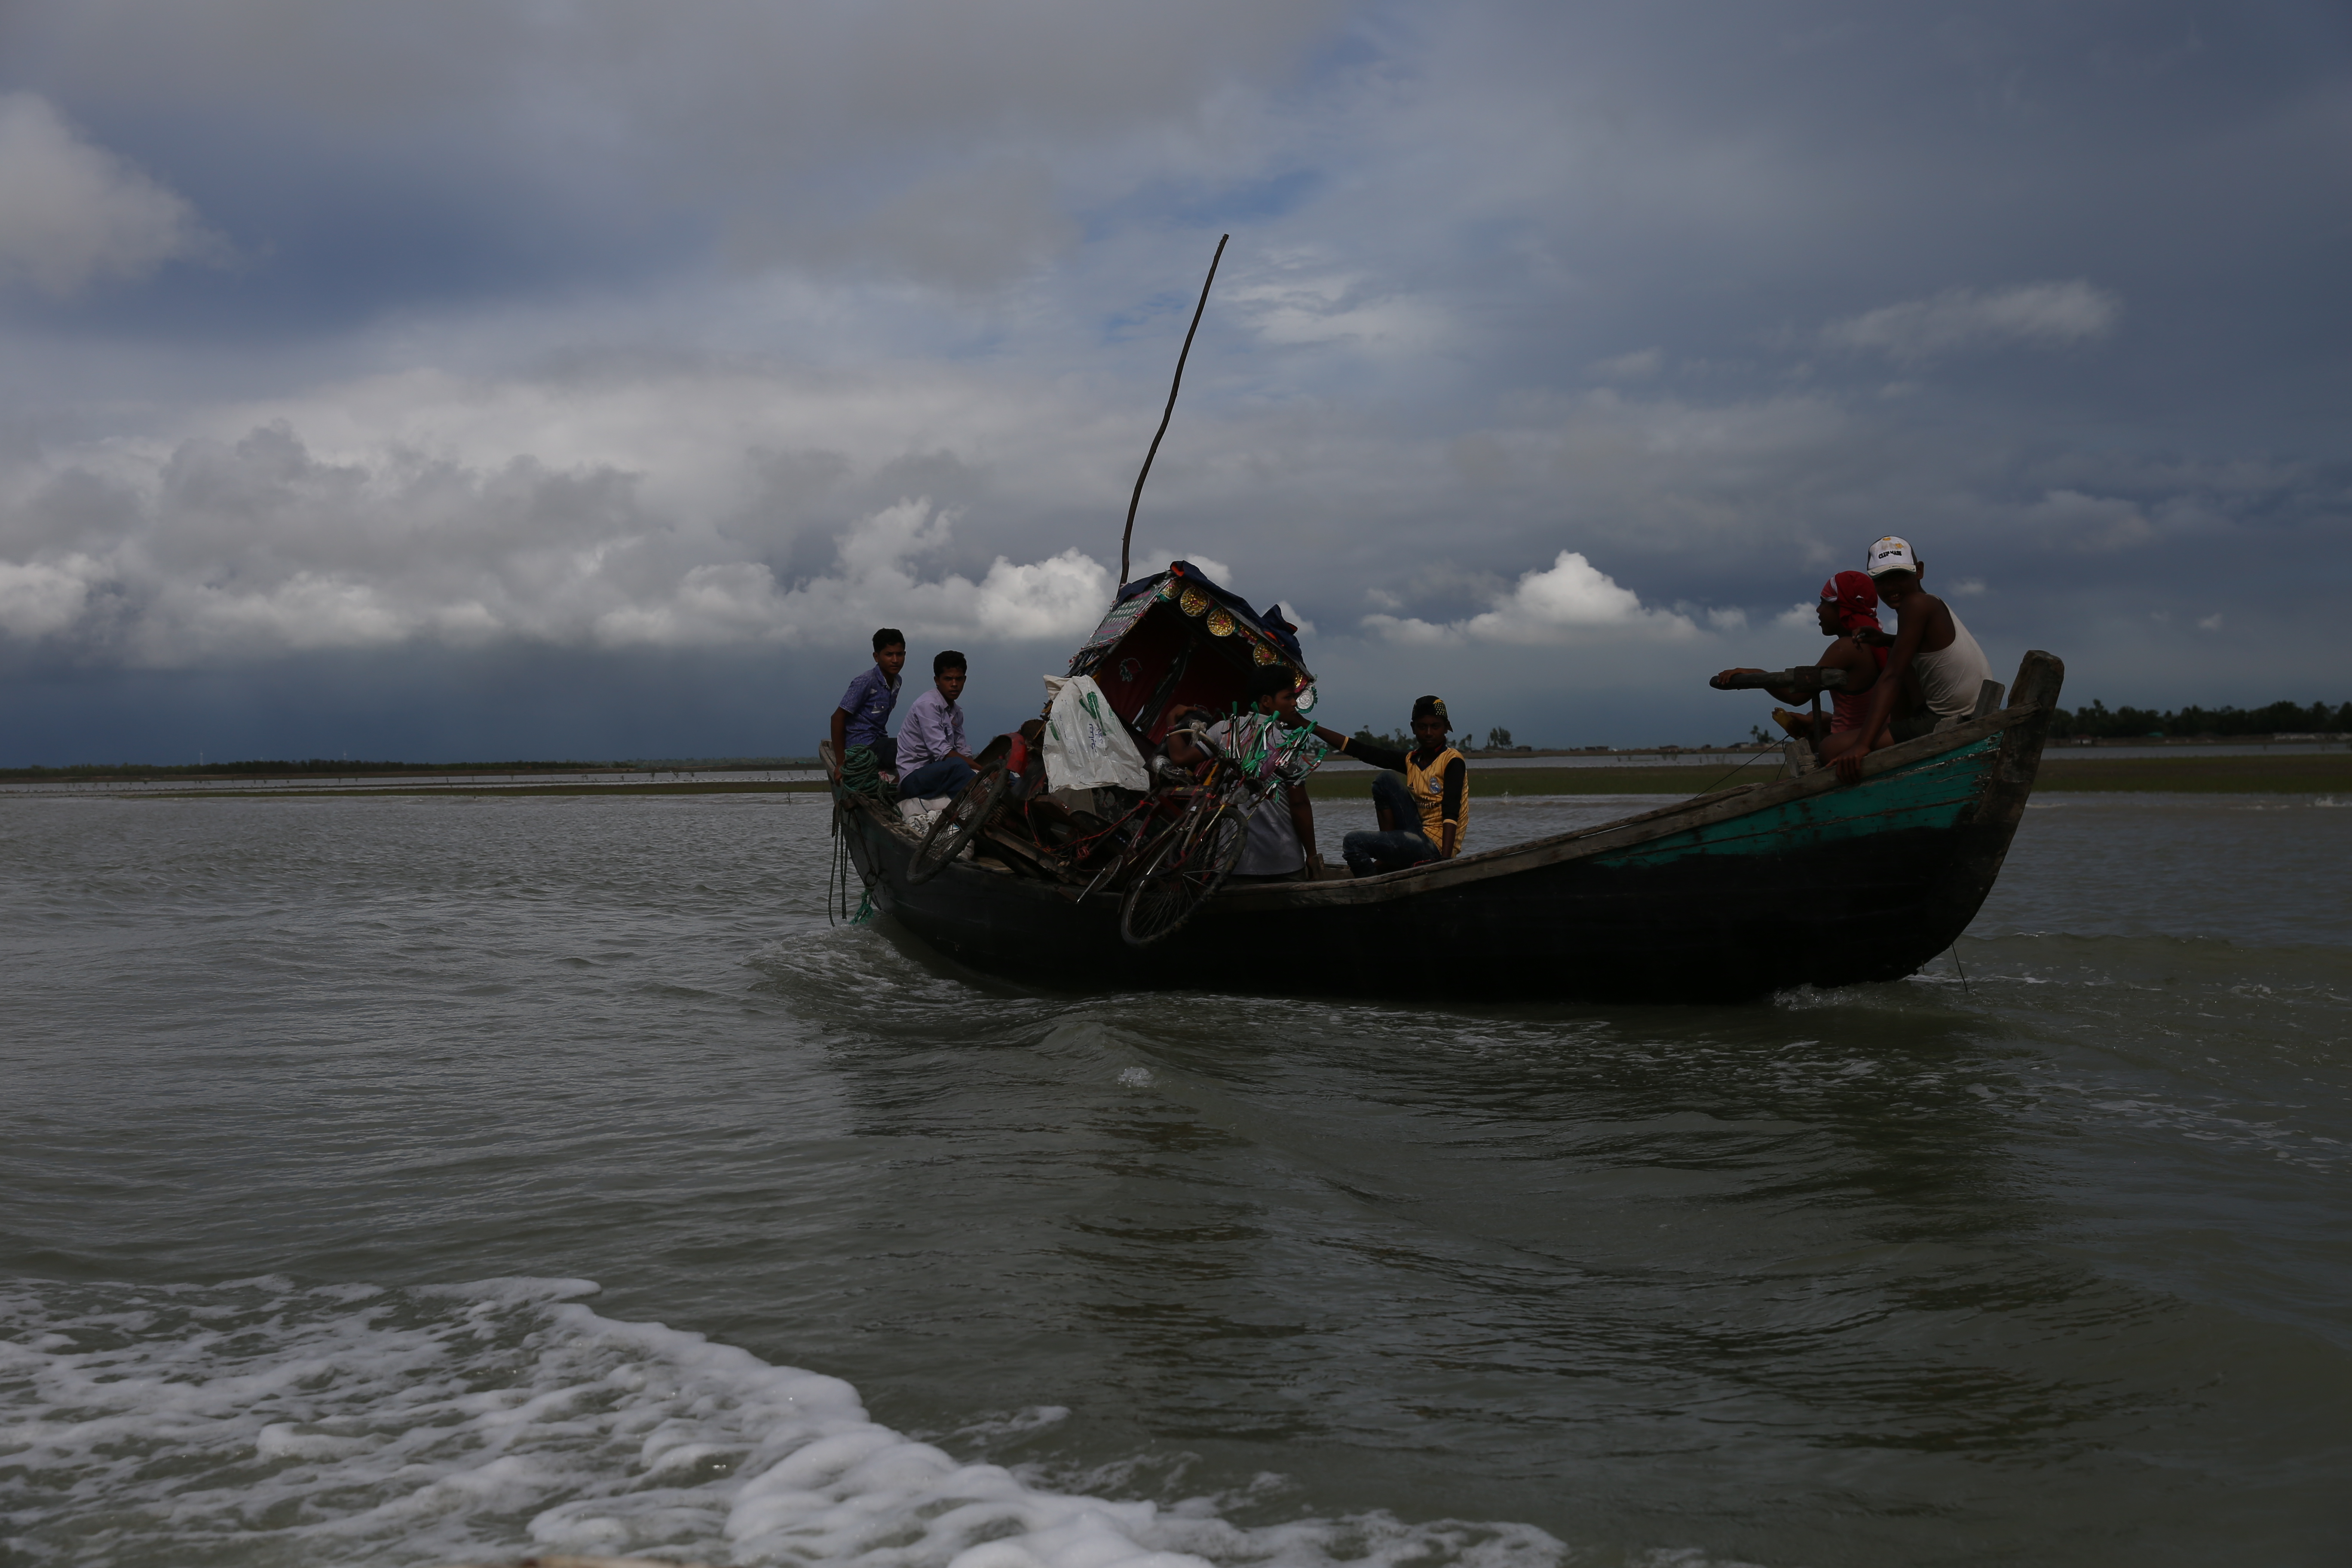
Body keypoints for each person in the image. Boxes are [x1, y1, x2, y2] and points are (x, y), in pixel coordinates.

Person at [1715, 571, 1895, 767]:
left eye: (1823, 603)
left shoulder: (1846, 647)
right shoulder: (1875, 640)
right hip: (1868, 730)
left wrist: (1755, 674)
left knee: (1824, 742)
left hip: (1857, 738)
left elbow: (1797, 697)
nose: (1818, 610)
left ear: (1842, 608)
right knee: (1812, 718)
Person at [1849, 536, 1993, 769]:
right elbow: (1922, 648)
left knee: (1829, 749)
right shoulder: (1929, 602)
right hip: (1959, 713)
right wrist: (1886, 639)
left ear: (1919, 571)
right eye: (1882, 580)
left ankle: (1893, 745)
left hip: (1947, 719)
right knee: (1898, 656)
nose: (1890, 587)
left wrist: (1861, 745)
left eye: (1899, 576)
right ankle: (1897, 737)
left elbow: (1892, 677)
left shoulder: (1915, 604)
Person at [1310, 695, 1466, 877]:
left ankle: (1370, 887)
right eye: (1423, 727)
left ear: (1446, 727)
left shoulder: (1452, 761)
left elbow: (1451, 811)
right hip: (1418, 834)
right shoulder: (1412, 760)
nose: (1429, 733)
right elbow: (1364, 752)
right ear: (1413, 728)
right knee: (1385, 780)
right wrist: (1312, 727)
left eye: (1436, 726)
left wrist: (1445, 861)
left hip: (1435, 849)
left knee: (1353, 842)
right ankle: (1390, 858)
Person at [1205, 668, 1323, 881]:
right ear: (1267, 701)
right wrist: (1312, 855)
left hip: (1230, 864)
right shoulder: (1287, 744)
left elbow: (1180, 757)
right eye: (1289, 697)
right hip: (1283, 863)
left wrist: (1175, 724)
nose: (1295, 704)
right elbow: (1299, 805)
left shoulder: (1223, 730)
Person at [895, 650, 978, 801]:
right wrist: (983, 770)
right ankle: (991, 813)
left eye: (959, 679)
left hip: (939, 774)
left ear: (965, 680)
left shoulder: (956, 713)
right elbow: (943, 753)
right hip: (914, 778)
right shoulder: (928, 705)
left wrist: (989, 771)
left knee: (1001, 769)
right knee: (958, 766)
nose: (954, 684)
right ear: (937, 680)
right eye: (948, 679)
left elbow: (963, 751)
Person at [830, 628, 906, 781]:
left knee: (916, 745)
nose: (895, 660)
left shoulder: (897, 681)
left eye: (900, 654)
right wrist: (840, 763)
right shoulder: (866, 681)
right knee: (910, 747)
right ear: (877, 657)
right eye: (889, 654)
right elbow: (837, 718)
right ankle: (898, 786)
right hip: (863, 747)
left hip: (879, 741)